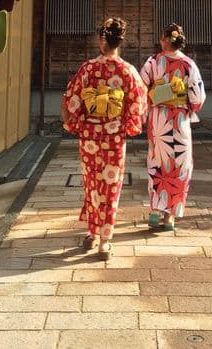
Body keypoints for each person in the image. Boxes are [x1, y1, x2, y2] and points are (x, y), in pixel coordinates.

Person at [61, 17, 147, 260]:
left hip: (89, 135)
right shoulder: (127, 71)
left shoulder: (88, 68)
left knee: (91, 184)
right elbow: (138, 106)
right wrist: (126, 125)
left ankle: (92, 233)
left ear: (102, 39)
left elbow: (72, 100)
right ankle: (105, 241)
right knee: (111, 187)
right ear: (120, 41)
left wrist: (74, 122)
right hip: (114, 137)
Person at [140, 23, 206, 231]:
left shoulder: (153, 62)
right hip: (179, 121)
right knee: (180, 166)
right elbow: (197, 98)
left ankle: (154, 211)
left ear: (164, 40)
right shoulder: (188, 64)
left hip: (158, 121)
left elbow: (141, 89)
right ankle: (170, 217)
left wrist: (154, 100)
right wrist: (183, 101)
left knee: (157, 164)